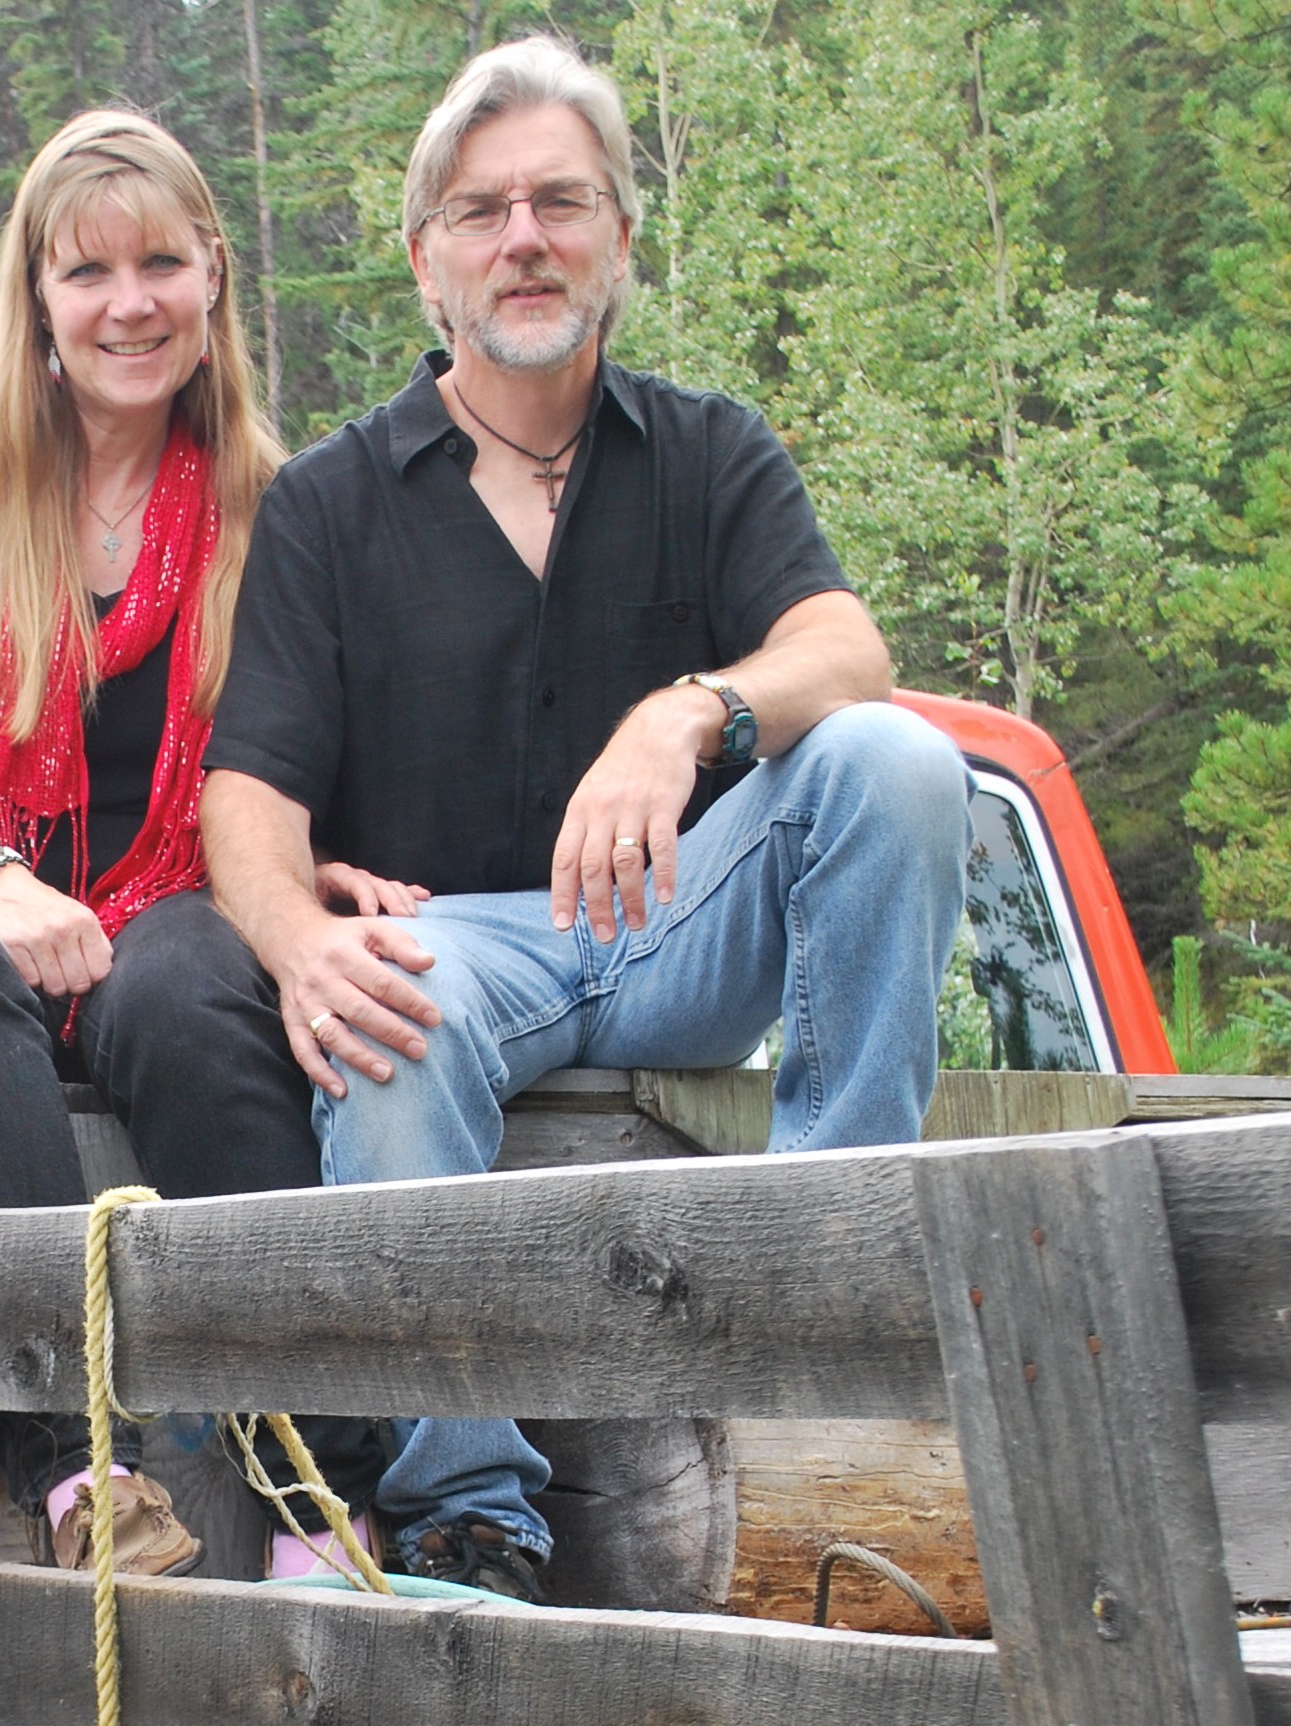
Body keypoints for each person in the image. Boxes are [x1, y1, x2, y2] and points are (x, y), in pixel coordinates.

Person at [200, 36, 972, 1602]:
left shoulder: (709, 448)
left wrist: (683, 712)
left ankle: (826, 1308)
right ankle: (466, 1512)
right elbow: (247, 795)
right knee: (385, 1007)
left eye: (561, 201)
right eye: (481, 212)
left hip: (680, 917)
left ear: (620, 236)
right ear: (427, 260)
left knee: (892, 759)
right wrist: (292, 941)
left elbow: (848, 650)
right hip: (459, 949)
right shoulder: (332, 502)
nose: (523, 238)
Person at [0, 109, 387, 1579]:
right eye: (87, 271)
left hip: (175, 923)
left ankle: (323, 1485)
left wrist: (318, 858)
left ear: (211, 285)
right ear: (37, 298)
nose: (126, 302)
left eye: (159, 264)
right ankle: (82, 1484)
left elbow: (319, 747)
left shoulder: (286, 507)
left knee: (192, 969)